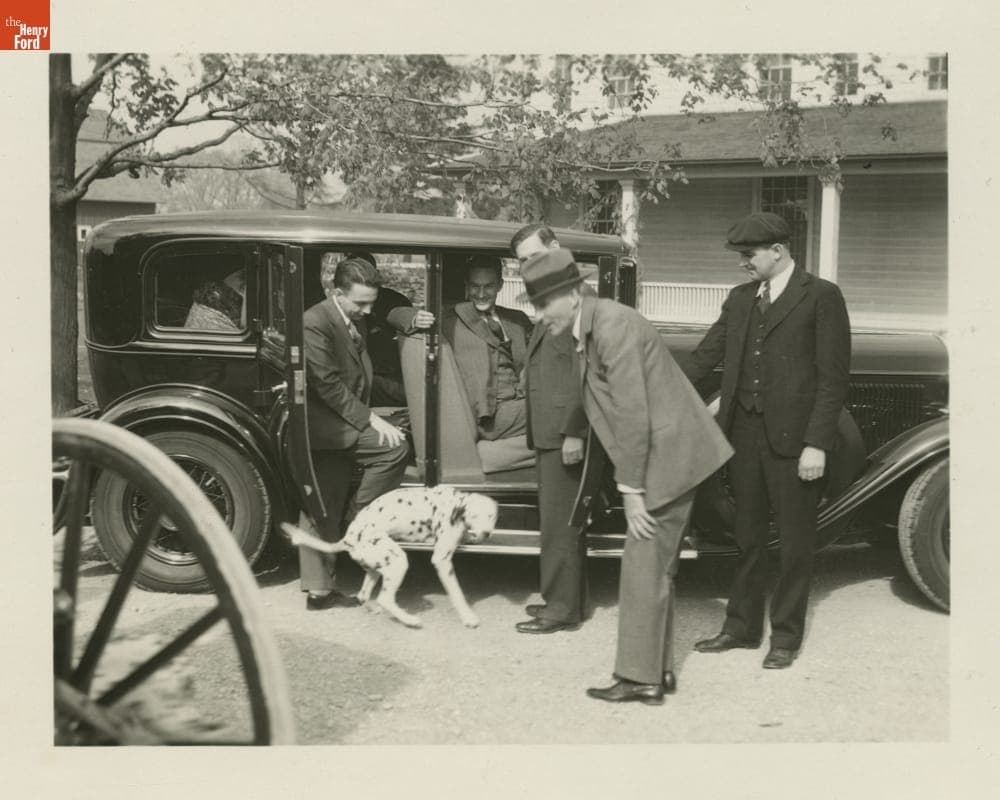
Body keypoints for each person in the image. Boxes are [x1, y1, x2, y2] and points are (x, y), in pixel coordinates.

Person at [520, 247, 733, 705]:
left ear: (574, 294)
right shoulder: (592, 324)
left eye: (543, 304)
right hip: (669, 452)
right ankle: (658, 670)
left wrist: (631, 489)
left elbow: (633, 416)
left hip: (668, 457)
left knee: (642, 569)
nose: (537, 316)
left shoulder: (612, 326)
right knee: (655, 569)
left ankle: (640, 680)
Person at [682, 212, 851, 668]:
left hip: (797, 443)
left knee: (796, 544)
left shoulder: (821, 297)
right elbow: (703, 359)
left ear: (778, 250)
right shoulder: (739, 300)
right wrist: (658, 391)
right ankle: (741, 627)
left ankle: (786, 638)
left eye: (749, 255)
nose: (743, 263)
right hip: (744, 437)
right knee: (748, 539)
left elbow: (832, 380)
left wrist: (817, 443)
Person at [299, 256, 410, 611]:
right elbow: (327, 384)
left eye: (371, 302)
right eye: (360, 302)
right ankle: (358, 520)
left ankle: (320, 589)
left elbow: (360, 376)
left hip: (343, 420)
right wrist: (370, 420)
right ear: (337, 292)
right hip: (325, 428)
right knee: (389, 453)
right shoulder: (315, 322)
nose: (367, 310)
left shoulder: (351, 318)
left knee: (325, 500)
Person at [509, 223, 590, 634]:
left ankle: (562, 609)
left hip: (564, 431)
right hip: (550, 429)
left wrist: (575, 430)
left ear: (556, 249)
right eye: (523, 261)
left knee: (561, 522)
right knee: (555, 520)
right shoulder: (553, 296)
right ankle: (560, 597)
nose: (528, 266)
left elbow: (585, 372)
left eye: (534, 257)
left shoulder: (575, 300)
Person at [324, 251, 434, 406]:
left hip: (383, 379)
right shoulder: (331, 311)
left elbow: (397, 313)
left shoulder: (390, 300)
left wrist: (414, 318)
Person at [441, 254, 532, 441]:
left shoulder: (517, 319)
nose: (481, 294)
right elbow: (397, 314)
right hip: (487, 414)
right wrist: (413, 319)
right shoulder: (451, 319)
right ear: (466, 285)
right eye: (475, 286)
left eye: (488, 286)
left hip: (519, 401)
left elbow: (540, 353)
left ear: (500, 285)